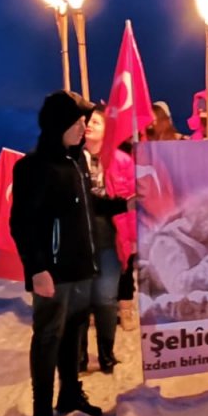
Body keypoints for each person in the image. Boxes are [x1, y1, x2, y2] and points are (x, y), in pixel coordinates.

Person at [10, 91, 130, 416]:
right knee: (49, 335)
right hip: (53, 270)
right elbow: (22, 223)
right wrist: (37, 269)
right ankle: (42, 406)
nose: (82, 127)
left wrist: (125, 204)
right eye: (76, 122)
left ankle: (69, 395)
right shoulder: (33, 167)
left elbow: (88, 208)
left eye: (83, 121)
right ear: (57, 124)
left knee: (74, 333)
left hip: (80, 267)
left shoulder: (74, 162)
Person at [76, 105, 137, 375]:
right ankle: (77, 357)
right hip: (77, 240)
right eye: (87, 121)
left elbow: (134, 199)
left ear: (107, 130)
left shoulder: (122, 161)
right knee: (79, 301)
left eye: (97, 122)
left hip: (111, 239)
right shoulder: (71, 159)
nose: (90, 125)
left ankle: (106, 355)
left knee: (105, 299)